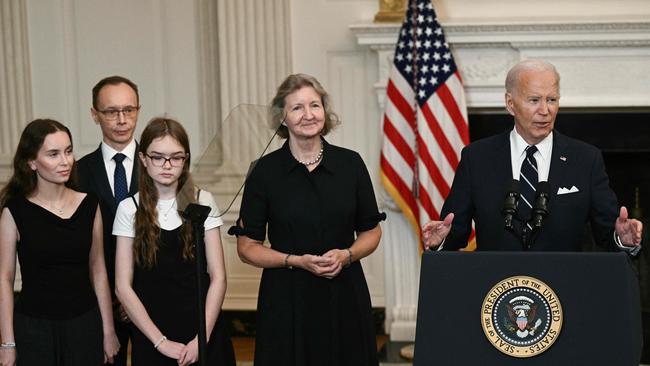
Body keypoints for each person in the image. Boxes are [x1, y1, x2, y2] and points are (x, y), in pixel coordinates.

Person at [231, 73, 385, 366]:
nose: (308, 115)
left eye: (314, 105)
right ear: (282, 117)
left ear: (325, 112)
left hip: (345, 294)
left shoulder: (350, 164)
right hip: (287, 299)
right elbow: (247, 247)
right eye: (297, 108)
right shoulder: (264, 172)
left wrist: (348, 255)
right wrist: (296, 260)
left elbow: (371, 231)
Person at [422, 59, 643, 252]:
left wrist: (622, 239)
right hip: (496, 287)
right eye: (534, 100)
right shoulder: (476, 158)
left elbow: (607, 232)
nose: (545, 110)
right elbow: (456, 231)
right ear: (511, 104)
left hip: (563, 287)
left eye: (552, 100)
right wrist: (440, 240)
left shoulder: (586, 159)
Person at [113, 118, 235, 366]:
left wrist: (202, 339)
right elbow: (122, 287)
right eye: (158, 157)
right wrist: (161, 342)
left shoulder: (203, 201)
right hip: (153, 333)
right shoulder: (129, 209)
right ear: (144, 159)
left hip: (203, 330)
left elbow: (218, 276)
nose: (167, 165)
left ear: (185, 160)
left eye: (176, 157)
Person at [0, 119, 120, 365]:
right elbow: (4, 279)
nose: (65, 161)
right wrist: (7, 343)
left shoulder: (90, 205)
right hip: (34, 329)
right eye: (53, 154)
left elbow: (98, 272)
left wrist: (108, 332)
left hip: (84, 325)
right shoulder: (14, 211)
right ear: (31, 162)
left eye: (68, 151)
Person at [77, 75, 140, 366]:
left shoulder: (159, 164)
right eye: (111, 111)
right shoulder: (76, 173)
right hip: (97, 301)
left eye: (129, 110)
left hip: (151, 297)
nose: (122, 119)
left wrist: (133, 297)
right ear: (94, 114)